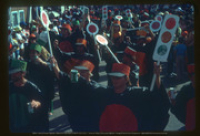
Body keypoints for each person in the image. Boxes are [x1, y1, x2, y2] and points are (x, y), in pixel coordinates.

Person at [51, 57, 103, 132]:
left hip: (89, 122)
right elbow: (61, 75)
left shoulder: (94, 87)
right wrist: (54, 65)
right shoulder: (73, 82)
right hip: (75, 120)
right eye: (78, 71)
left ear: (89, 73)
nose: (79, 74)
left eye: (82, 72)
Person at [9, 59, 45, 132]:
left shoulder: (31, 87)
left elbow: (43, 102)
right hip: (12, 127)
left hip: (29, 127)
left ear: (23, 73)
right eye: (11, 73)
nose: (12, 75)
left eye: (16, 73)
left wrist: (37, 103)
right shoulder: (9, 87)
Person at [26, 43, 55, 127]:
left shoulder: (45, 66)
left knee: (43, 118)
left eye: (34, 52)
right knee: (33, 117)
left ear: (38, 54)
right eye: (30, 53)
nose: (32, 54)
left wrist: (50, 96)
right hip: (32, 95)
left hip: (43, 95)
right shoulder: (27, 65)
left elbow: (50, 82)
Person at [170, 64, 195, 131]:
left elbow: (175, 109)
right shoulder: (185, 91)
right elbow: (176, 108)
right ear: (191, 77)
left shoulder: (186, 90)